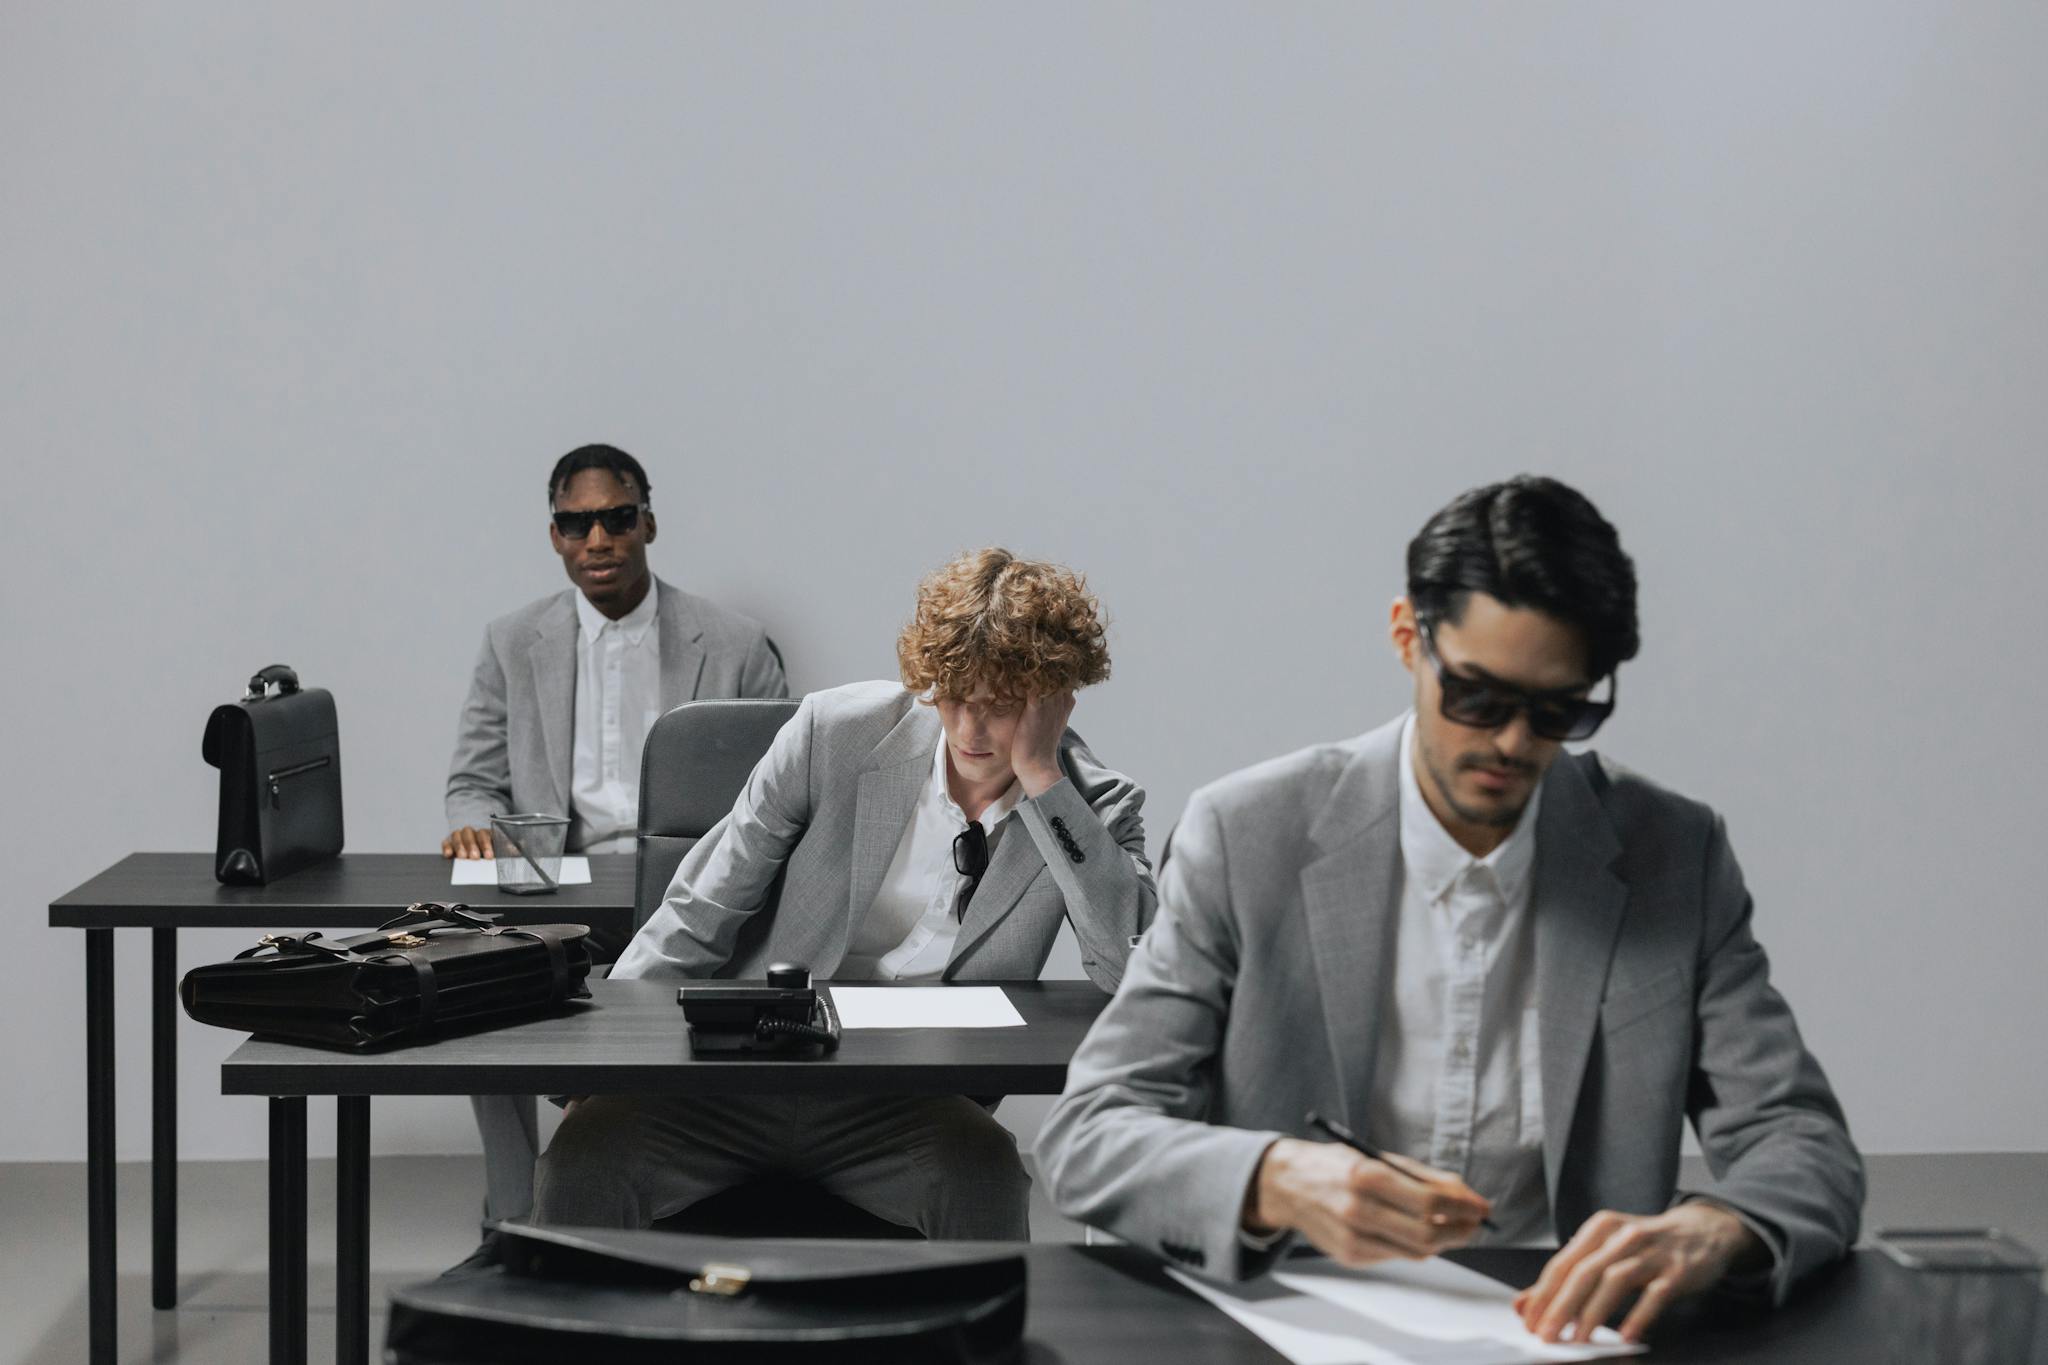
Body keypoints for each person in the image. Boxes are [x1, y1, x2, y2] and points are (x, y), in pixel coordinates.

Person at [1038, 476, 1863, 1345]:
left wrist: (1717, 1228)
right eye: (1478, 696)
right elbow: (1090, 1134)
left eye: (1559, 710)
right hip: (1294, 1321)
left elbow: (1800, 1136)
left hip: (1564, 1333)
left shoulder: (1674, 855)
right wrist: (1274, 1178)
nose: (1512, 741)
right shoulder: (1248, 833)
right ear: (1408, 639)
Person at [532, 548, 1158, 1239]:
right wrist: (602, 1062)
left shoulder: (1088, 806)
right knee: (582, 1161)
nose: (972, 730)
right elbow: (701, 909)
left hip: (908, 1100)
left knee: (982, 1178)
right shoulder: (834, 734)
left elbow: (1131, 970)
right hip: (744, 1073)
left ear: (1053, 698)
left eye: (1003, 706)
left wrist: (1041, 775)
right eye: (954, 695)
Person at [443, 442, 788, 1228]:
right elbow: (472, 778)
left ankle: (626, 1197)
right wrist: (469, 825)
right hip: (557, 892)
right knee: (480, 998)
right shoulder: (510, 641)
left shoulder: (734, 644)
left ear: (648, 523)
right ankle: (512, 1219)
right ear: (556, 536)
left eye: (616, 518)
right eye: (575, 524)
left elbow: (788, 792)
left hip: (695, 894)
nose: (597, 540)